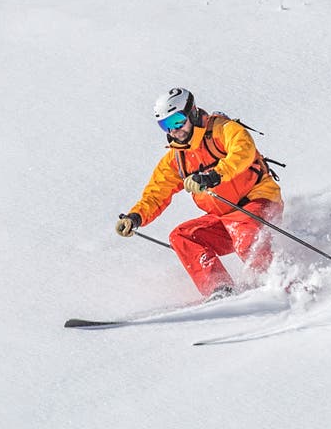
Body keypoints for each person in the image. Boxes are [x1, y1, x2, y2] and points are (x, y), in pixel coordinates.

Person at [116, 87, 283, 299]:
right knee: (183, 236)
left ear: (192, 112)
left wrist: (214, 175)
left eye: (177, 121)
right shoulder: (176, 159)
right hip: (223, 217)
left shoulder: (222, 130)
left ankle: (278, 284)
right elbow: (156, 193)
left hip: (255, 201)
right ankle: (220, 290)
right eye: (165, 125)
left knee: (245, 232)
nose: (174, 131)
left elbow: (243, 151)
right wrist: (136, 217)